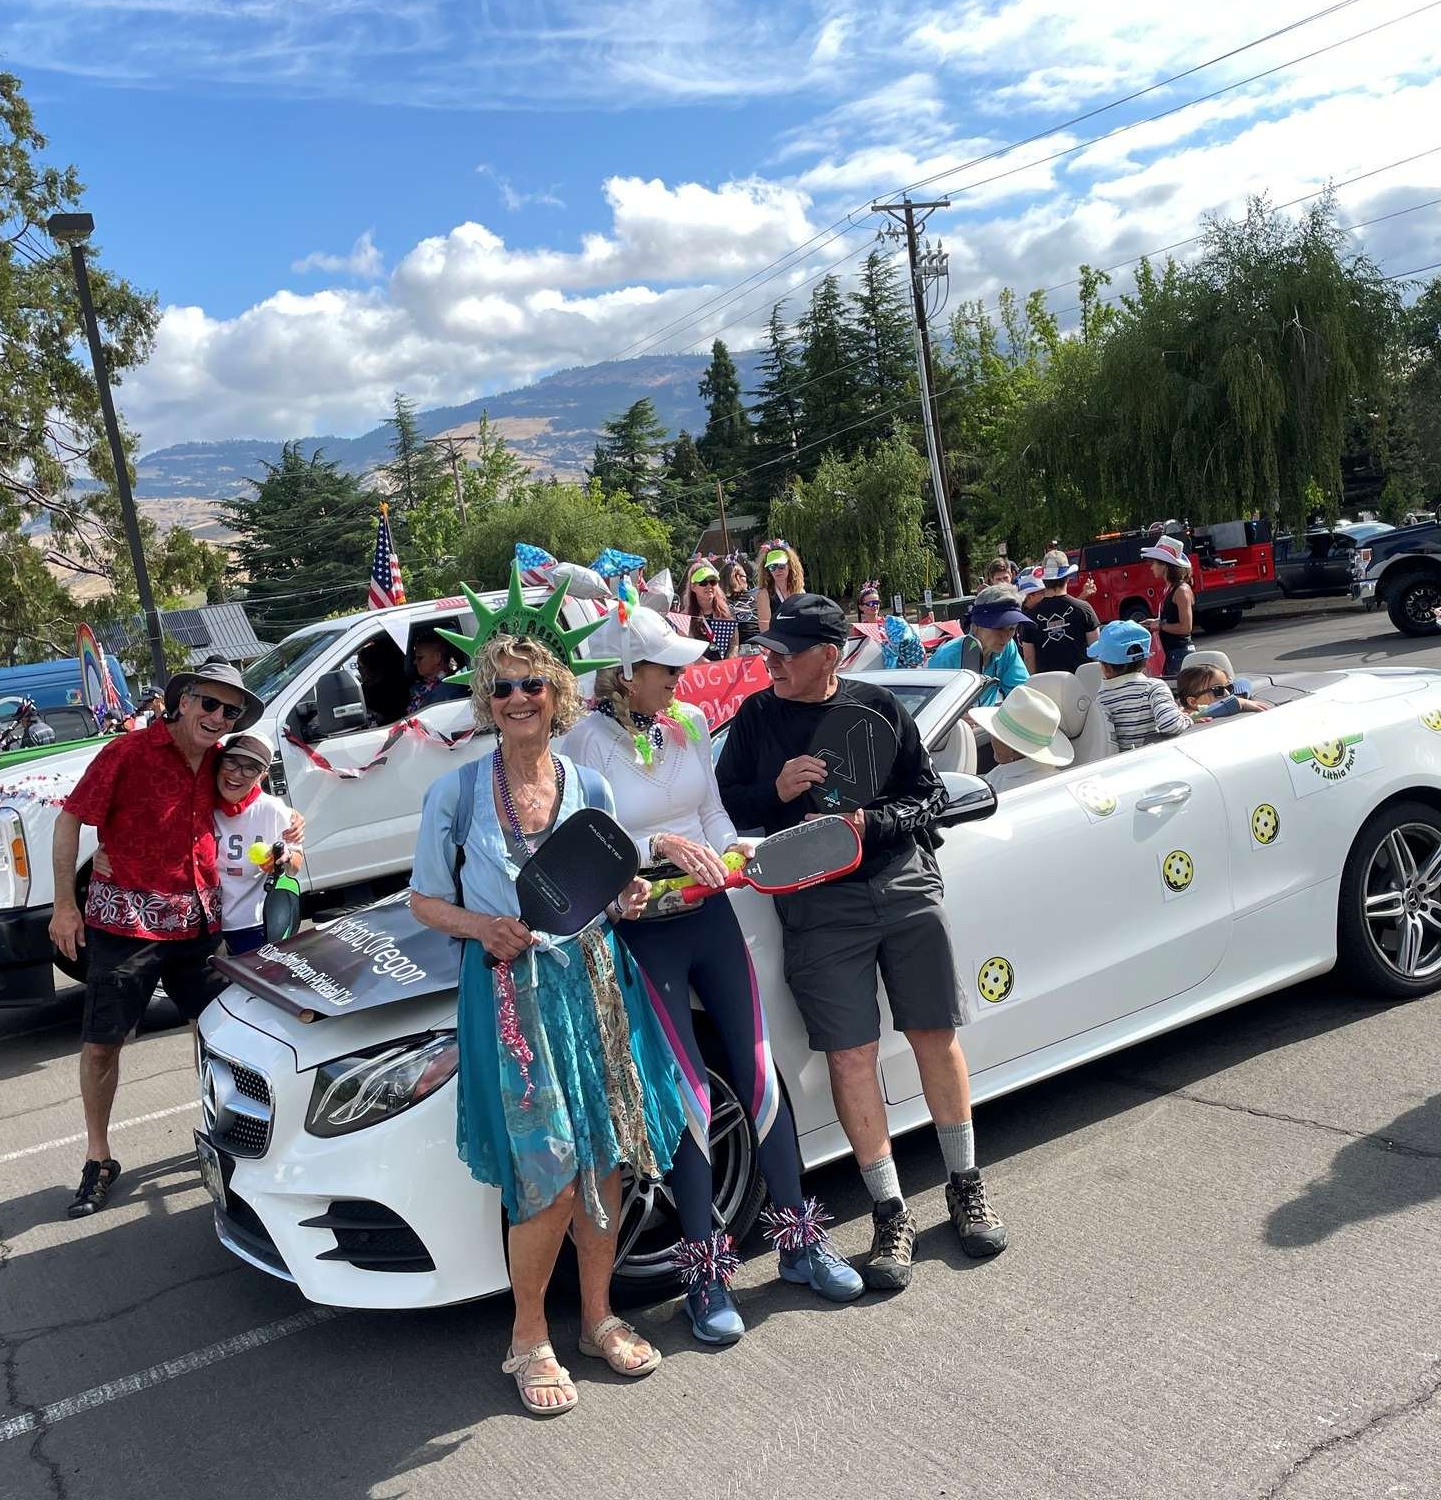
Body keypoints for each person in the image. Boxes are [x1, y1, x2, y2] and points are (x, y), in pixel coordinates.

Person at [560, 606, 863, 1342]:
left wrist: (735, 856)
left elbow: (718, 818)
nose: (680, 679)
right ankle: (707, 1276)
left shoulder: (689, 723)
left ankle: (799, 1242)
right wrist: (656, 846)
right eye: (667, 668)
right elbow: (584, 845)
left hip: (712, 919)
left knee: (758, 1076)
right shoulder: (582, 744)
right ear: (625, 675)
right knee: (691, 1097)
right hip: (645, 935)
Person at [407, 630, 686, 1415]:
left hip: (592, 986)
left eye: (532, 684)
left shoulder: (589, 787)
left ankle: (597, 1317)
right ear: (485, 704)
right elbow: (423, 901)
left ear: (557, 694)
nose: (518, 698)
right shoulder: (456, 795)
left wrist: (626, 897)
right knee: (549, 1171)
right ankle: (528, 1334)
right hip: (510, 998)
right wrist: (478, 925)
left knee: (603, 1158)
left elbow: (607, 882)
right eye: (501, 688)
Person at [716, 594, 1008, 1289]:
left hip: (902, 884)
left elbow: (928, 794)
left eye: (785, 653)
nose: (771, 663)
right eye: (767, 651)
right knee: (851, 1057)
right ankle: (889, 1209)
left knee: (935, 1035)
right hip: (817, 906)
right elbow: (724, 805)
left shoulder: (879, 705)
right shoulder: (757, 718)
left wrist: (868, 825)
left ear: (831, 655)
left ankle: (965, 1185)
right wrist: (777, 791)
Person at [50, 657, 258, 1218]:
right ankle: (98, 1157)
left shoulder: (221, 763)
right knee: (101, 1044)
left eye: (229, 710)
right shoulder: (127, 752)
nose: (218, 716)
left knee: (217, 1036)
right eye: (209, 703)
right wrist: (65, 905)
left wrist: (293, 826)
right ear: (183, 700)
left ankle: (221, 1133)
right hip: (124, 926)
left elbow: (250, 809)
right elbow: (70, 818)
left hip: (198, 925)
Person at [211, 731, 299, 957]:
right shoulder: (201, 804)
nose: (236, 774)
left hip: (252, 923)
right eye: (231, 762)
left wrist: (285, 858)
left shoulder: (271, 809)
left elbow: (296, 863)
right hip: (203, 928)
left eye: (250, 768)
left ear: (263, 776)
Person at [1089, 619, 1188, 752]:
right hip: (1154, 758)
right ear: (1146, 661)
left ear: (1106, 668)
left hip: (1124, 762)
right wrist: (1187, 718)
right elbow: (1170, 724)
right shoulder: (1153, 687)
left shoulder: (1102, 697)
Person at [929, 585, 1031, 706]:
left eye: (1012, 628)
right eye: (998, 627)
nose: (1006, 636)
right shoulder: (946, 657)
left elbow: (1020, 691)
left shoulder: (1008, 647)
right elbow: (932, 706)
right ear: (977, 625)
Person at [969, 683, 1074, 794]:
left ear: (1013, 749)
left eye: (996, 734)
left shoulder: (1027, 788)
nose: (991, 737)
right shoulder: (1007, 770)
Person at [1021, 550, 1100, 675]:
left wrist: (1034, 685)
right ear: (1068, 577)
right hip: (1082, 684)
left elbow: (1029, 659)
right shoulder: (1084, 609)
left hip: (1047, 686)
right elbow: (1096, 651)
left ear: (1044, 580)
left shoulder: (1029, 618)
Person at [1141, 534, 1196, 675]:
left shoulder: (1181, 590)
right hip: (1170, 653)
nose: (1151, 567)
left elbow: (1186, 627)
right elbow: (1172, 620)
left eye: (1154, 563)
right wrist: (1156, 622)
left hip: (1179, 654)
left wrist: (1159, 625)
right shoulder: (1170, 588)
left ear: (1164, 565)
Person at [682, 560, 738, 661]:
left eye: (713, 582)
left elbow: (734, 645)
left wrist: (727, 664)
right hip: (700, 671)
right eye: (703, 582)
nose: (709, 586)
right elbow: (687, 650)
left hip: (727, 668)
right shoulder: (685, 617)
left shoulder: (728, 612)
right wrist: (710, 666)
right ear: (693, 587)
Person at [1176, 663, 1270, 718]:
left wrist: (1237, 698)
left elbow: (1243, 681)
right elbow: (1213, 710)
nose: (1228, 693)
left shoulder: (1229, 697)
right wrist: (1238, 702)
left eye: (1229, 688)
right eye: (1218, 690)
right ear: (1193, 701)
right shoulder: (1189, 717)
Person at [406, 631, 464, 713]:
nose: (415, 662)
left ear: (437, 657)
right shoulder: (422, 687)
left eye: (420, 657)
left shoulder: (449, 690)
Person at [755, 538, 805, 628]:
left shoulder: (799, 590)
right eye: (772, 567)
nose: (777, 570)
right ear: (767, 570)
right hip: (776, 639)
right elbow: (765, 630)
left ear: (790, 565)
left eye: (781, 565)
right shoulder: (764, 594)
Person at [721, 557, 762, 647]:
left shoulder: (756, 596)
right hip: (743, 646)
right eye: (745, 576)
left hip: (759, 643)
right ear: (738, 578)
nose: (746, 579)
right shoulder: (721, 602)